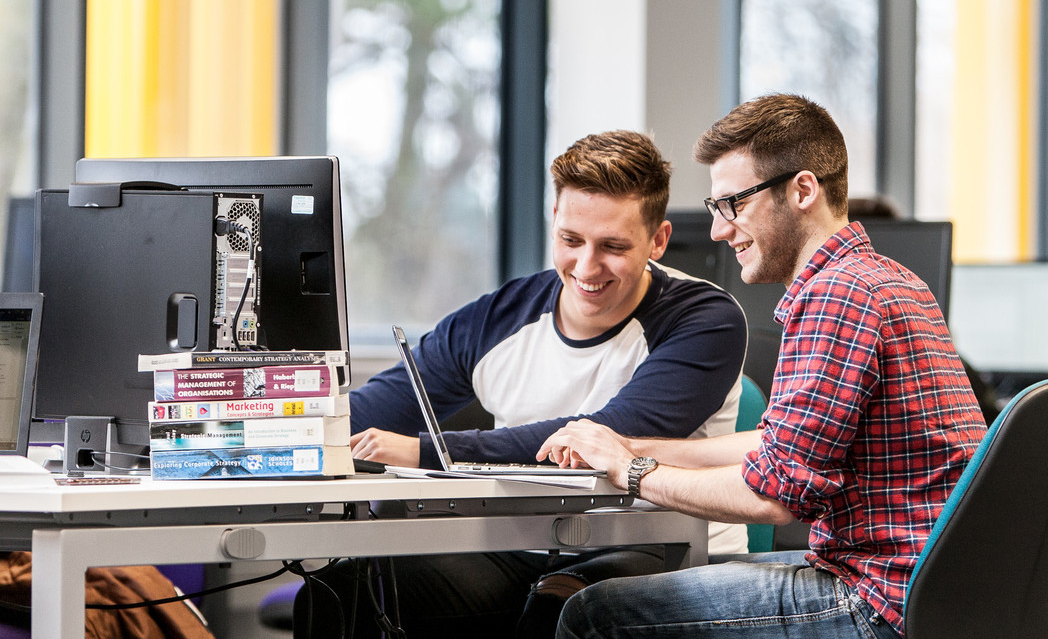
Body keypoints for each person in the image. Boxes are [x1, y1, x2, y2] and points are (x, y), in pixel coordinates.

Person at [539, 94, 988, 639]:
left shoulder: (836, 297)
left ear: (802, 190)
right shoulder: (890, 280)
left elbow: (772, 494)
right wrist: (632, 446)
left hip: (874, 599)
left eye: (733, 204)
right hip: (935, 591)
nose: (718, 231)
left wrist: (628, 472)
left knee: (592, 615)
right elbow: (775, 447)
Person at [293, 129, 749, 639]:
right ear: (554, 221)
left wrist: (425, 452)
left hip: (662, 545)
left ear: (658, 240)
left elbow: (603, 436)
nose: (586, 267)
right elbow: (373, 407)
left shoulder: (705, 319)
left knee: (559, 605)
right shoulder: (500, 317)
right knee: (339, 593)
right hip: (524, 545)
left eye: (613, 247)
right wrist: (250, 424)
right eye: (571, 240)